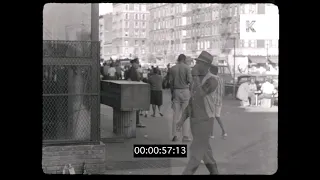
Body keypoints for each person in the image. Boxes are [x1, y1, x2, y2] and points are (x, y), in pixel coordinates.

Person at [176, 51, 219, 175]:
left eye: (198, 63)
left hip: (205, 121)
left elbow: (201, 94)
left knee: (196, 153)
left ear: (205, 65)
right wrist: (182, 119)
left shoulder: (212, 80)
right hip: (196, 121)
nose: (195, 65)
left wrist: (194, 77)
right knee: (206, 154)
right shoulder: (197, 80)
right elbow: (192, 101)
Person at [169, 54, 192, 142]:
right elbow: (190, 81)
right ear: (184, 59)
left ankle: (175, 135)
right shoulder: (187, 68)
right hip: (185, 91)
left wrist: (172, 94)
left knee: (176, 115)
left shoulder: (173, 68)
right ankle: (185, 136)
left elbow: (170, 83)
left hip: (176, 91)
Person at [126, 58, 145, 128]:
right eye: (137, 63)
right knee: (136, 107)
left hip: (133, 90)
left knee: (135, 107)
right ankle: (136, 122)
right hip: (134, 90)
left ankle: (136, 121)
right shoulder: (132, 71)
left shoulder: (133, 70)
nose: (138, 64)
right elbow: (132, 80)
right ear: (133, 63)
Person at [209, 65, 227, 139]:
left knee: (211, 117)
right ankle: (224, 131)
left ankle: (211, 134)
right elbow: (223, 91)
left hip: (212, 99)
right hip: (219, 100)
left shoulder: (211, 79)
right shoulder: (221, 79)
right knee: (217, 116)